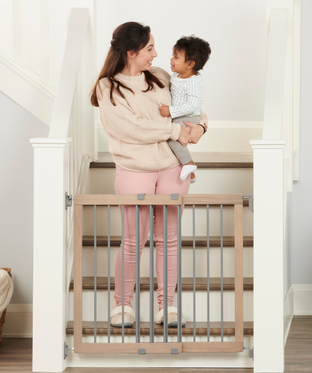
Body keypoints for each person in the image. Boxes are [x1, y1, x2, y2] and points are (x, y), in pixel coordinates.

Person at [90, 22, 207, 328]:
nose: (156, 54)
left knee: (168, 241)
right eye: (150, 48)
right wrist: (173, 130)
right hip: (134, 169)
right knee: (132, 241)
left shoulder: (160, 78)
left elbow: (190, 106)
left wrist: (200, 127)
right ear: (131, 52)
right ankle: (122, 305)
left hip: (172, 167)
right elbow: (129, 129)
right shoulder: (108, 87)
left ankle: (165, 306)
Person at [159, 36, 211, 183]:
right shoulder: (176, 75)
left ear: (190, 64)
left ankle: (189, 164)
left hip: (188, 117)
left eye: (176, 57)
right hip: (180, 116)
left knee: (173, 140)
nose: (171, 60)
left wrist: (170, 111)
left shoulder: (194, 82)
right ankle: (191, 174)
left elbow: (193, 105)